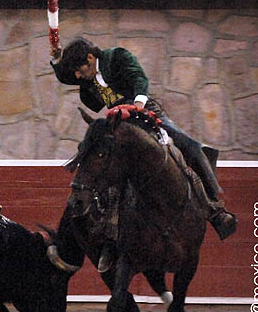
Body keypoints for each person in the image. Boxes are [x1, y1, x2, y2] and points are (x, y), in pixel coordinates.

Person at [50, 37, 236, 270]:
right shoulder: (86, 74)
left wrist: (137, 104)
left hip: (145, 112)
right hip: (119, 122)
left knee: (191, 146)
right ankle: (109, 240)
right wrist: (57, 59)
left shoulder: (116, 57)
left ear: (90, 58)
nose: (77, 76)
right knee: (109, 174)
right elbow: (66, 76)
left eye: (80, 69)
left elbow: (139, 78)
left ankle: (215, 210)